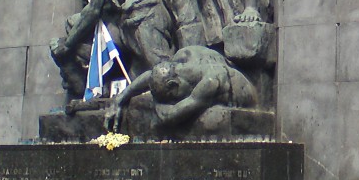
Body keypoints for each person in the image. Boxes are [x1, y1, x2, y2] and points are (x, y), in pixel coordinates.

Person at [105, 45, 257, 130]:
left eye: (170, 98)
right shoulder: (184, 56)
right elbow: (151, 75)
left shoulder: (210, 81)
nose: (171, 101)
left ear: (173, 85)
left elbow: (168, 117)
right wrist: (120, 98)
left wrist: (156, 102)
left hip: (245, 106)